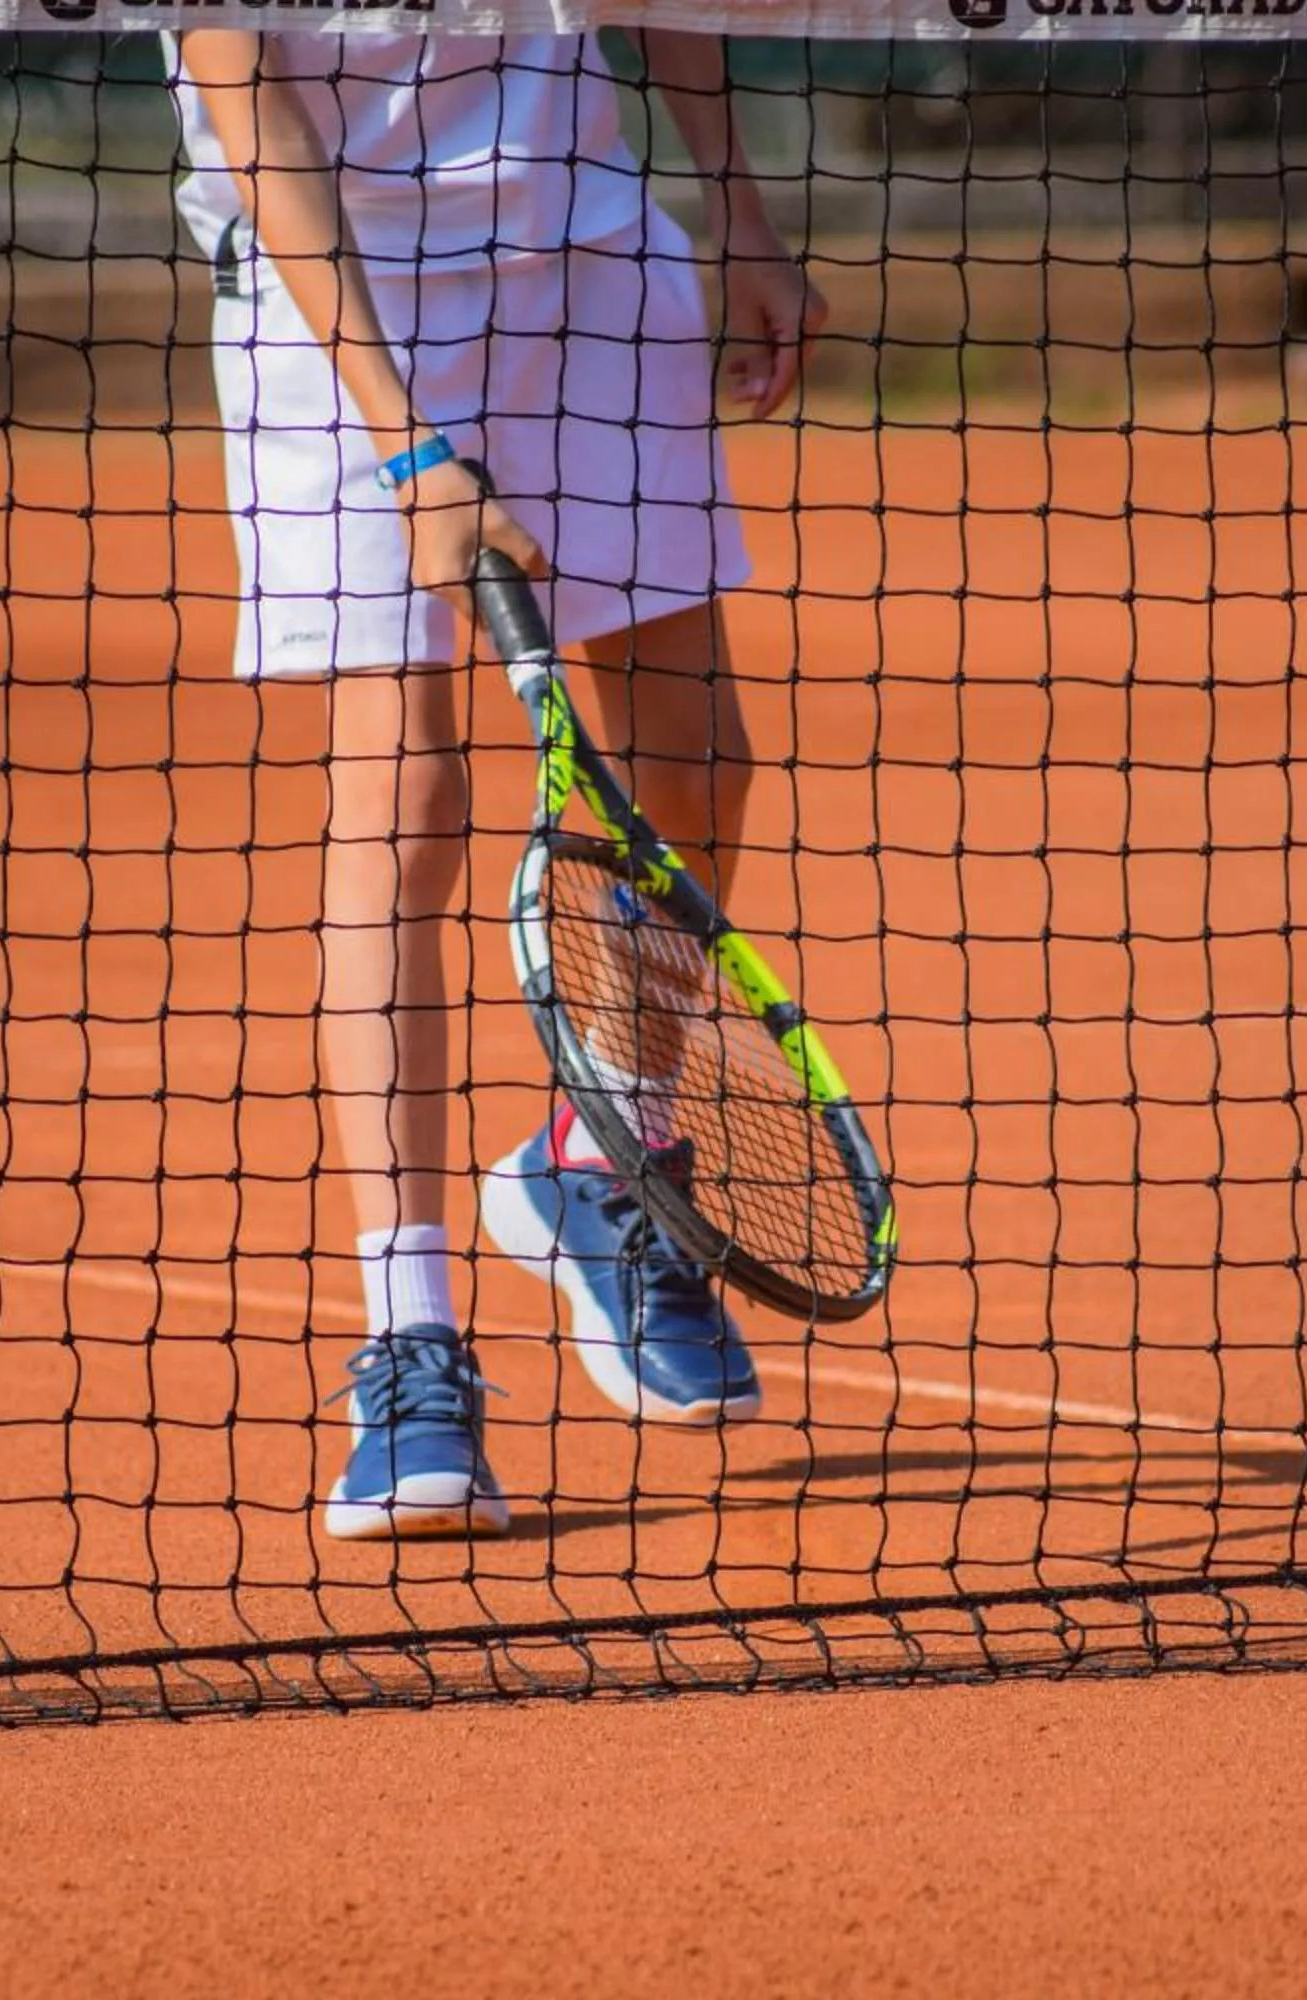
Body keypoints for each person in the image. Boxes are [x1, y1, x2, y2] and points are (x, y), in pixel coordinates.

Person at [166, 27, 824, 1537]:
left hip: (588, 255)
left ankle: (602, 1150)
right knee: (408, 797)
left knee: (701, 762)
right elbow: (251, 107)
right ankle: (411, 1345)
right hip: (337, 291)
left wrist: (738, 204)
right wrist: (409, 452)